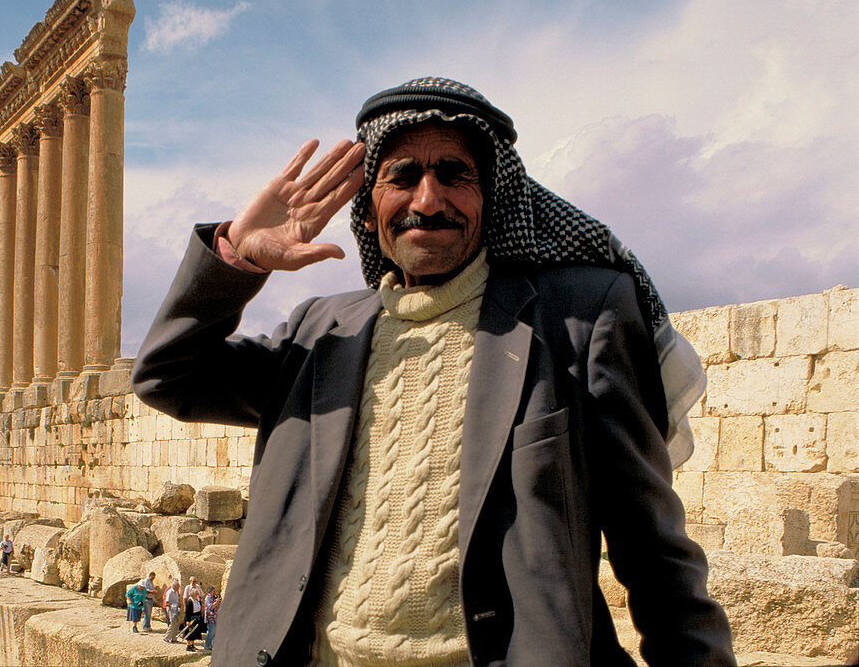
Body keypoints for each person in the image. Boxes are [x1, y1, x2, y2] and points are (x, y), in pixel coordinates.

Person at [133, 77, 736, 665]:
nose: (428, 200)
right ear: (367, 213)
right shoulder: (318, 333)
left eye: (454, 174)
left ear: (490, 200)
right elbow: (169, 376)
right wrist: (236, 252)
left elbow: (655, 555)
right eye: (402, 177)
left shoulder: (575, 321)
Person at [182, 586, 204, 652]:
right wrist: (188, 621)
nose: (197, 595)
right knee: (190, 632)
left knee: (194, 632)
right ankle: (188, 645)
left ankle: (192, 645)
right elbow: (187, 612)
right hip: (191, 618)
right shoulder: (190, 601)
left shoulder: (196, 600)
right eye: (196, 593)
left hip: (196, 618)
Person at [203, 586, 220, 651]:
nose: (215, 592)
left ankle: (212, 645)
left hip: (215, 617)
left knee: (214, 631)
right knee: (211, 631)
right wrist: (217, 602)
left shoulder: (214, 597)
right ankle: (207, 645)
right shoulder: (207, 598)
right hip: (211, 618)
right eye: (214, 591)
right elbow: (211, 607)